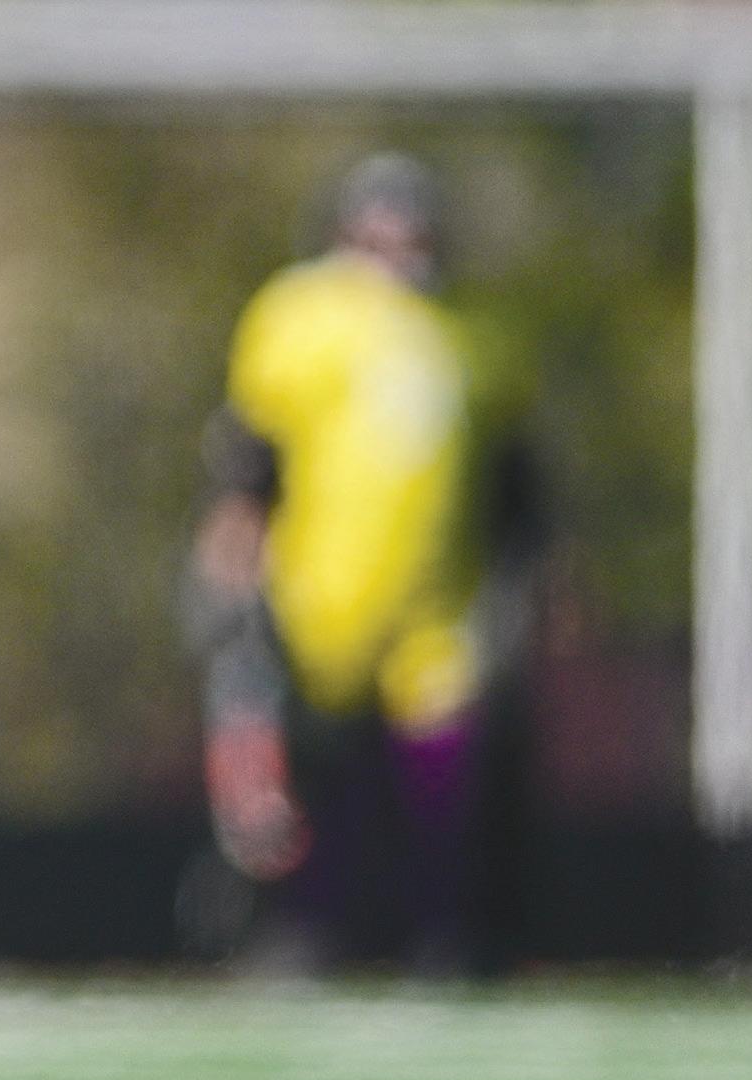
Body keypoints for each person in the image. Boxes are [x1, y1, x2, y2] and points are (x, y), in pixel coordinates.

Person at [181, 153, 534, 973]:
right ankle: (305, 933)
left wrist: (532, 583)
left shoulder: (481, 338)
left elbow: (514, 483)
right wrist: (231, 557)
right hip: (319, 599)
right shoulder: (298, 319)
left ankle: (442, 936)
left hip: (438, 605)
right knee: (314, 781)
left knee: (442, 777)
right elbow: (249, 460)